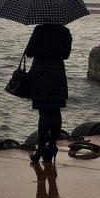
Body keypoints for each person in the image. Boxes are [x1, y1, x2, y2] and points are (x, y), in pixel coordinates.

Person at [24, 23, 71, 163]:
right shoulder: (64, 31)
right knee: (56, 110)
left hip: (41, 74)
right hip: (57, 74)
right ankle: (52, 146)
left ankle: (41, 148)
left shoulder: (39, 30)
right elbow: (66, 55)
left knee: (44, 112)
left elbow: (29, 52)